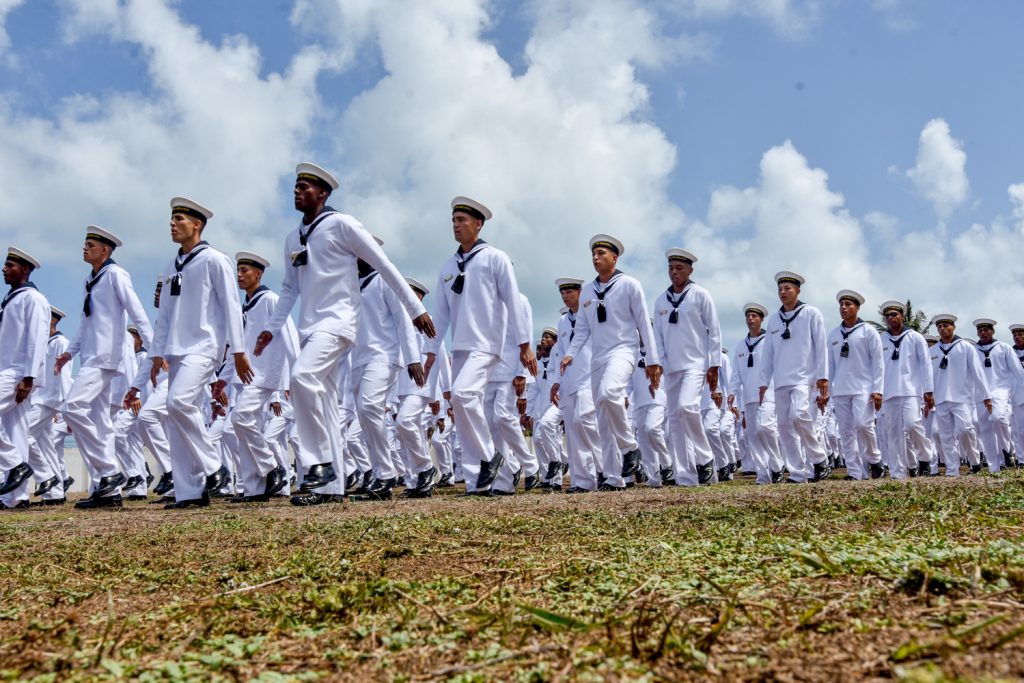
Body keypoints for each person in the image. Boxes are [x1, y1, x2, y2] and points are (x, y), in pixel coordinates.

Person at [256, 163, 432, 506]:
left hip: (338, 325)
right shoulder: (293, 238)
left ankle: (317, 463)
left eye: (304, 187)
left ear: (322, 193)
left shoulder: (342, 224)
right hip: (311, 328)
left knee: (303, 377)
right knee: (325, 403)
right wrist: (271, 328)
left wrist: (416, 309)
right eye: (295, 187)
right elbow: (290, 288)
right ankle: (330, 488)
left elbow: (386, 265)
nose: (296, 192)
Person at [143, 198, 253, 509]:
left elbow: (233, 307)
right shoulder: (169, 267)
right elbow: (163, 315)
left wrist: (239, 351)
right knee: (176, 416)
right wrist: (155, 354)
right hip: (176, 352)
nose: (172, 224)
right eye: (171, 220)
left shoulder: (215, 260)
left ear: (197, 225)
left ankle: (214, 466)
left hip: (205, 347)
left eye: (179, 219)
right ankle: (190, 492)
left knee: (178, 402)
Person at [423, 197, 536, 496]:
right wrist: (431, 351)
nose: (456, 225)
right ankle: (484, 482)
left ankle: (492, 458)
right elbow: (441, 314)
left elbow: (514, 302)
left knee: (462, 394)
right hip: (460, 347)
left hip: (487, 344)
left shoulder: (495, 257)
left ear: (478, 224)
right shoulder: (448, 267)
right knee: (464, 410)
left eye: (462, 220)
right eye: (453, 220)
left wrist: (525, 345)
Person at [54, 227, 153, 509]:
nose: (84, 249)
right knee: (102, 424)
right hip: (91, 356)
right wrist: (68, 354)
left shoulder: (116, 275)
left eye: (90, 245)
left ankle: (108, 472)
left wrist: (155, 348)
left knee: (72, 408)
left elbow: (137, 311)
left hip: (106, 358)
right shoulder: (91, 279)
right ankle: (107, 492)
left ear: (104, 251)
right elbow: (85, 322)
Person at [562, 234, 660, 491]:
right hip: (598, 357)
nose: (595, 258)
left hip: (623, 350)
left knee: (609, 394)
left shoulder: (629, 285)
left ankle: (630, 447)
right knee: (603, 421)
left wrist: (652, 359)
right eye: (593, 254)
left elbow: (643, 324)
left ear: (614, 258)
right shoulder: (588, 292)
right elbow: (582, 329)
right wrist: (570, 353)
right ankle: (613, 478)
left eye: (601, 254)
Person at [223, 252, 297, 502]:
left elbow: (289, 335)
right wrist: (223, 379)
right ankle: (254, 488)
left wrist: (295, 375)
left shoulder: (270, 300)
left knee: (240, 418)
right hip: (244, 376)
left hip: (264, 374)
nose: (240, 274)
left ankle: (272, 467)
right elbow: (236, 347)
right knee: (245, 430)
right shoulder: (243, 305)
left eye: (245, 270)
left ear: (259, 274)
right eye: (238, 270)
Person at [652, 248, 720, 486]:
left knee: (687, 406)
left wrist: (715, 365)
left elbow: (714, 331)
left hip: (696, 363)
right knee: (675, 420)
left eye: (679, 268)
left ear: (690, 269)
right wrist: (658, 364)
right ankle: (686, 476)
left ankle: (705, 458)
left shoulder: (700, 295)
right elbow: (657, 336)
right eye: (671, 268)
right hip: (671, 367)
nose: (674, 273)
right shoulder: (661, 300)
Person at [758, 271, 831, 483]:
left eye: (787, 288)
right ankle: (797, 472)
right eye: (780, 289)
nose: (783, 292)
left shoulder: (811, 313)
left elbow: (821, 346)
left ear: (798, 290)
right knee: (784, 427)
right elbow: (768, 353)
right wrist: (764, 382)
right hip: (780, 380)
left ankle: (819, 459)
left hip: (803, 377)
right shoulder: (773, 320)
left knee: (799, 415)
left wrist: (822, 377)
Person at [0, 248, 50, 509]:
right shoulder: (12, 299)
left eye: (9, 265)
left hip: (17, 374)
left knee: (16, 433)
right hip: (10, 371)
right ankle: (16, 497)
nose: (4, 269)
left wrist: (29, 377)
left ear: (25, 270)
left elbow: (38, 339)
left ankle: (15, 464)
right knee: (17, 432)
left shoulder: (33, 299)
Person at [826, 290, 884, 481]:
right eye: (841, 304)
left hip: (863, 388)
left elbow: (878, 362)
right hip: (841, 390)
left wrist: (877, 389)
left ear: (857, 308)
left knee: (863, 425)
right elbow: (831, 365)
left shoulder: (868, 331)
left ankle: (875, 460)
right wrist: (828, 391)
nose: (843, 308)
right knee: (845, 432)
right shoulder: (834, 334)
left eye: (848, 304)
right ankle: (854, 472)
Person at [548, 281, 599, 492]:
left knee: (587, 423)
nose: (565, 296)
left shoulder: (590, 313)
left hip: (589, 375)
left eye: (569, 292)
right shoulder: (562, 321)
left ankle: (607, 471)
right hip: (569, 380)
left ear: (580, 292)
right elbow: (560, 351)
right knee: (573, 431)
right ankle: (582, 481)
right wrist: (556, 382)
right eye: (562, 293)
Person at [877, 300, 935, 479]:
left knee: (912, 425)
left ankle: (924, 458)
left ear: (902, 316)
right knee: (892, 433)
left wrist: (928, 390)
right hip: (889, 392)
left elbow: (926, 364)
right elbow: (876, 367)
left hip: (911, 390)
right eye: (887, 316)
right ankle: (897, 472)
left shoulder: (915, 337)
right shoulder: (881, 339)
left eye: (894, 314)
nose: (890, 318)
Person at [930, 314, 990, 476]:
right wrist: (928, 395)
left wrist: (986, 396)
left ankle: (975, 460)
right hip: (941, 398)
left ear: (953, 327)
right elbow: (928, 376)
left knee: (965, 430)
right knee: (945, 435)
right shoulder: (933, 351)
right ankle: (952, 469)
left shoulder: (965, 347)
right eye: (940, 326)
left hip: (961, 397)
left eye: (946, 325)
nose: (942, 329)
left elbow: (978, 372)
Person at [731, 303, 783, 484]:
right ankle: (763, 474)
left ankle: (776, 466)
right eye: (748, 316)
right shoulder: (740, 346)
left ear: (761, 319)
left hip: (767, 394)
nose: (750, 319)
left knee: (765, 428)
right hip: (748, 398)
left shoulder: (770, 340)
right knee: (752, 436)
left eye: (754, 316)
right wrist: (732, 392)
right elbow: (736, 373)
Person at [27, 307, 72, 504]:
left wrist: (68, 409)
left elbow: (66, 377)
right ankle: (55, 494)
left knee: (23, 435)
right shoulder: (44, 343)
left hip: (49, 400)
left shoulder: (61, 343)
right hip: (39, 398)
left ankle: (45, 477)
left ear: (51, 321)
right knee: (46, 446)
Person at [972, 318, 1024, 471]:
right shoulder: (973, 350)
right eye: (980, 331)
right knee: (986, 429)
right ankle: (995, 466)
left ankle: (1007, 448)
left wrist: (1018, 392)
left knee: (998, 418)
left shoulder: (1003, 347)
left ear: (992, 331)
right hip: (981, 392)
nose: (983, 333)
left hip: (1001, 390)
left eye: (986, 330)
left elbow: (1017, 372)